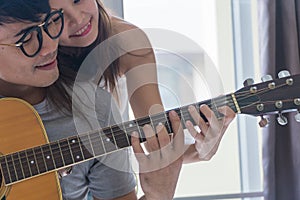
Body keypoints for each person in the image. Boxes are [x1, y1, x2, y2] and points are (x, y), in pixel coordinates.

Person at [0, 1, 185, 199]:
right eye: (27, 39)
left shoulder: (94, 107)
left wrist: (159, 194)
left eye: (50, 23)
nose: (49, 46)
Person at [50, 0, 236, 164]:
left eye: (77, 0)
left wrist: (202, 150)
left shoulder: (127, 41)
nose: (77, 19)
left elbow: (160, 145)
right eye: (56, 17)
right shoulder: (31, 57)